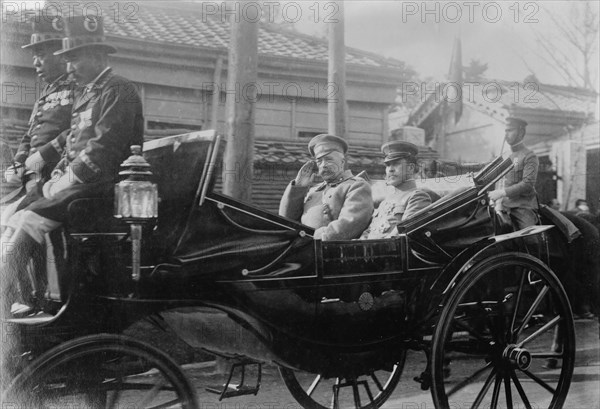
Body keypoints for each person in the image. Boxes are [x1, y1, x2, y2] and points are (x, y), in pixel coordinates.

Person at [1, 15, 144, 316]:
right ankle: (25, 298)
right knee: (17, 219)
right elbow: (71, 145)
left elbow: (102, 151)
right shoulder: (89, 92)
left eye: (74, 59)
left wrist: (63, 182)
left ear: (97, 55)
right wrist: (56, 175)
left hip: (102, 187)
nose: (68, 68)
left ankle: (19, 297)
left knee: (28, 218)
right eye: (66, 60)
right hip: (82, 184)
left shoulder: (118, 90)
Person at [2, 15, 77, 236]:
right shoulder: (45, 94)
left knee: (15, 219)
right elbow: (30, 134)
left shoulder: (78, 88)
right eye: (35, 56)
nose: (35, 63)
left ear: (60, 55)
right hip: (31, 176)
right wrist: (17, 162)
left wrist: (44, 154)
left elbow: (78, 130)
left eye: (41, 55)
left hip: (57, 173)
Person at [279, 134, 373, 240]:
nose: (323, 165)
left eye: (328, 159)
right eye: (319, 161)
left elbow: (350, 224)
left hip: (329, 250)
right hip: (306, 247)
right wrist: (298, 187)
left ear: (342, 162)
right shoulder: (314, 190)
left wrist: (312, 237)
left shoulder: (356, 186)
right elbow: (287, 222)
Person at [361, 141, 431, 239]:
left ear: (410, 168)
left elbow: (401, 234)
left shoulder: (417, 197)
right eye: (388, 165)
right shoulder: (384, 202)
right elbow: (369, 231)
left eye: (396, 164)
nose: (390, 170)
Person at [488, 117, 539, 230]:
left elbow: (527, 183)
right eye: (505, 131)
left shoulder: (529, 156)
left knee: (530, 237)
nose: (506, 134)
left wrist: (502, 193)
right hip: (499, 205)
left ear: (521, 132)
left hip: (521, 206)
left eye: (510, 130)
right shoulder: (504, 156)